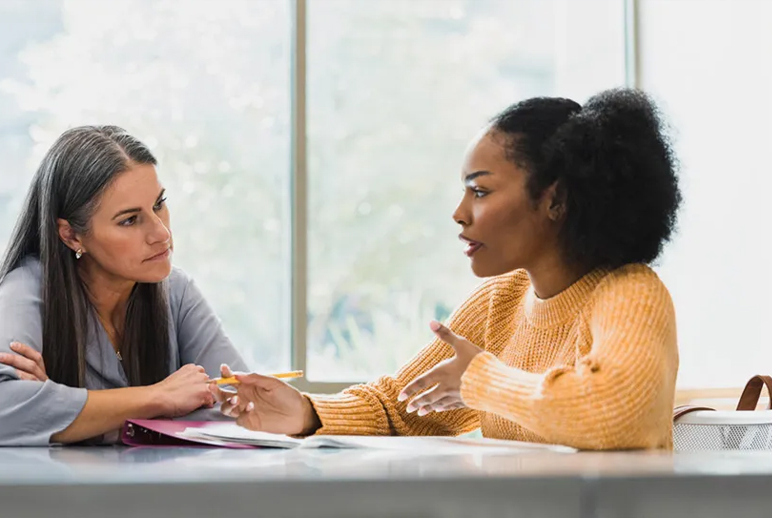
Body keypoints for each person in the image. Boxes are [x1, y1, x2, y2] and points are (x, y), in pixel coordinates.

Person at [219, 88, 682, 450]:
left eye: (480, 192)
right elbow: (402, 408)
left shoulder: (630, 292)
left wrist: (480, 380)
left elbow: (615, 414)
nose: (459, 213)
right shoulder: (499, 302)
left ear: (555, 199)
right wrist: (306, 412)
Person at [0, 125, 248, 446]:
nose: (161, 233)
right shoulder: (27, 289)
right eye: (129, 220)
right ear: (71, 235)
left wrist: (59, 408)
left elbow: (241, 408)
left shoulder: (176, 291)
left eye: (158, 204)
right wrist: (158, 398)